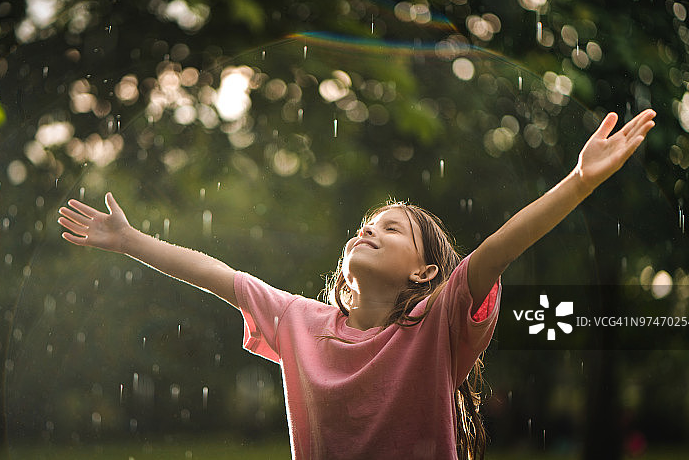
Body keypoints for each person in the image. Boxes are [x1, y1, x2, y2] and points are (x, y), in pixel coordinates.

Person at [58, 109, 656, 459]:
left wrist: (579, 181)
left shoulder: (436, 322)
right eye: (366, 226)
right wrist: (130, 240)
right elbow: (218, 275)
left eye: (390, 230)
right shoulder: (301, 323)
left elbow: (499, 248)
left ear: (424, 273)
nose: (366, 232)